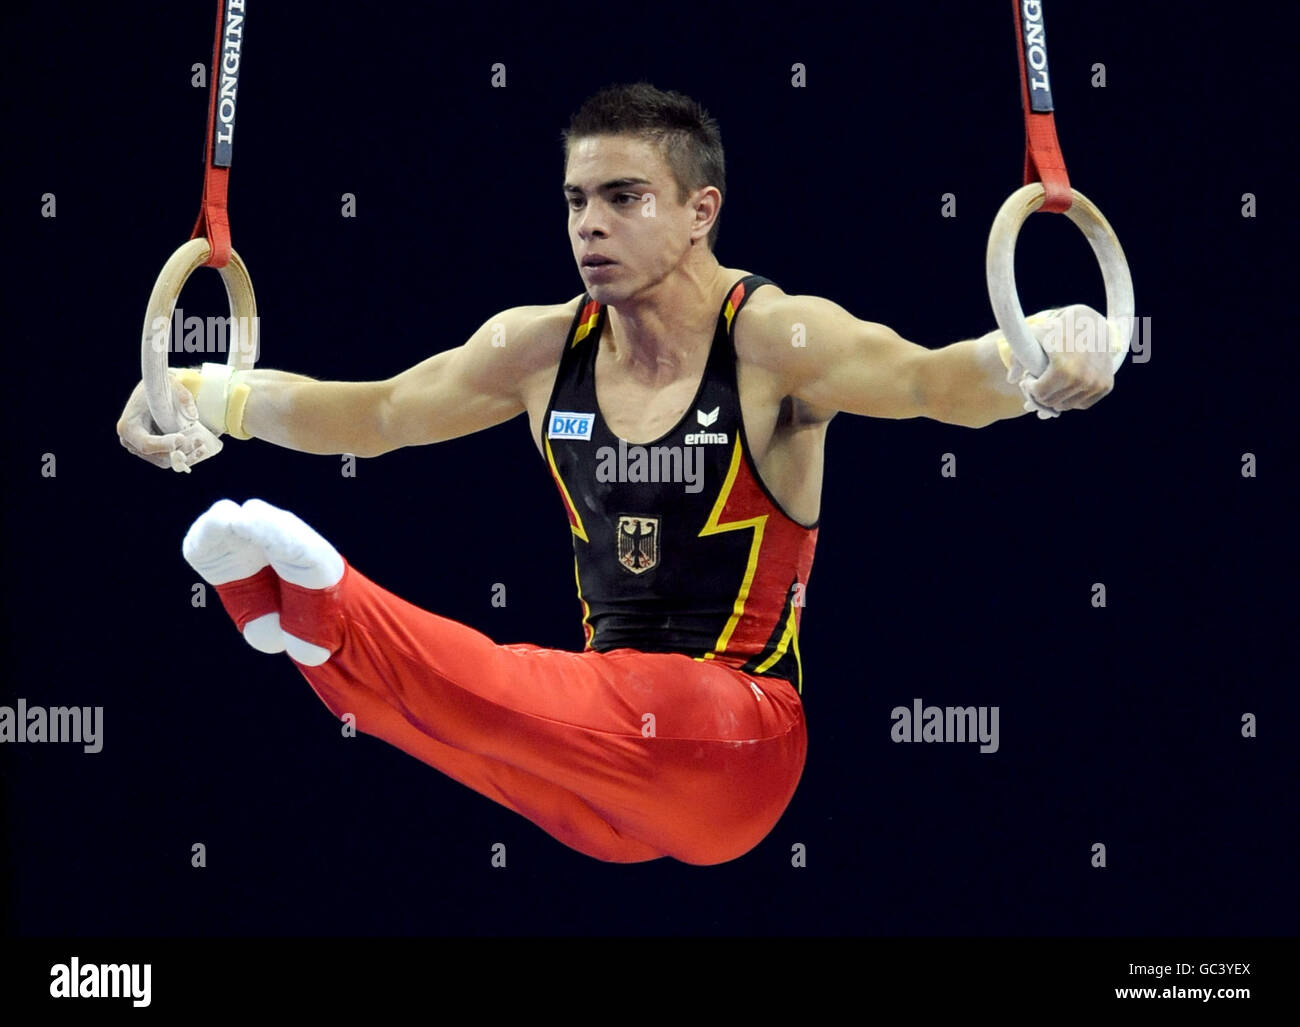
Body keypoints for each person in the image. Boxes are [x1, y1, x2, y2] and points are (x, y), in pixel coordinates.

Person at [117, 82, 1115, 864]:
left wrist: (1039, 355)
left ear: (698, 212)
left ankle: (329, 609)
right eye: (575, 200)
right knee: (441, 725)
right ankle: (304, 631)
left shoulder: (776, 340)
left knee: (508, 692)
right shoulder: (537, 348)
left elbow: (933, 380)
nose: (588, 224)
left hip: (739, 745)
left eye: (623, 198)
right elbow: (375, 412)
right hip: (598, 782)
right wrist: (199, 391)